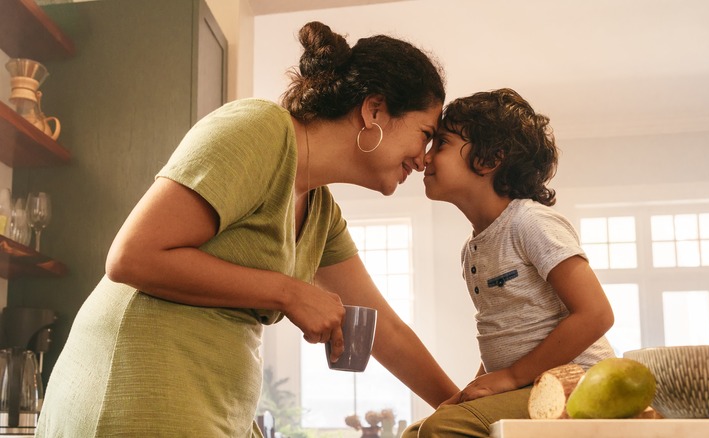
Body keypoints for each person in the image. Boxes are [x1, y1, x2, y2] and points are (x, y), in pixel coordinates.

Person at [36, 21, 458, 437]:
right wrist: (290, 292)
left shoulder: (322, 212)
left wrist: (468, 412)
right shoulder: (260, 131)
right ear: (374, 110)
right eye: (424, 135)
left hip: (206, 408)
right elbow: (131, 257)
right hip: (133, 395)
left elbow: (385, 328)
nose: (423, 159)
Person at [403, 88, 615, 437]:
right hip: (528, 386)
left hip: (580, 384)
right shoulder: (473, 249)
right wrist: (473, 390)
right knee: (416, 432)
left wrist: (512, 377)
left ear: (489, 159)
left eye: (440, 144)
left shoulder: (530, 222)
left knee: (443, 429)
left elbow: (596, 314)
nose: (425, 158)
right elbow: (505, 336)